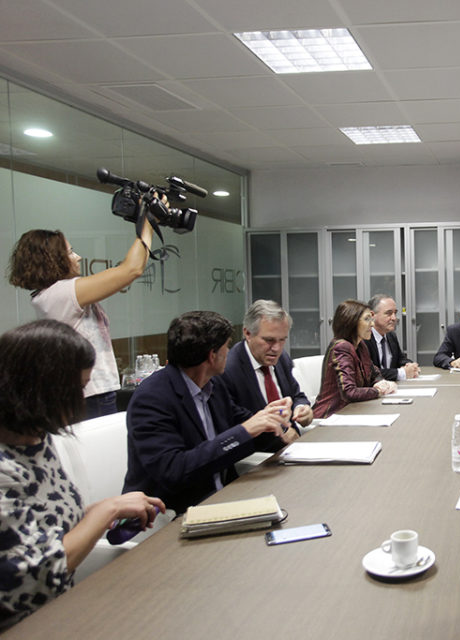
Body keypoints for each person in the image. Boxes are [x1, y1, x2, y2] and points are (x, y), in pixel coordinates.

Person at [0, 320, 164, 630]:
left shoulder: (36, 438)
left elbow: (44, 523)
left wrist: (113, 508)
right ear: (39, 389)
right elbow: (32, 574)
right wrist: (106, 511)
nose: (81, 400)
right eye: (76, 389)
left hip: (60, 611)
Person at [123, 311, 297, 514]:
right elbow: (173, 471)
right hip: (175, 513)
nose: (230, 352)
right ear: (212, 355)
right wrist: (245, 430)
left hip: (226, 497)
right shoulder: (152, 398)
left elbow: (243, 429)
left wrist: (274, 421)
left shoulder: (213, 386)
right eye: (227, 346)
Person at [8, 226, 153, 418]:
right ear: (52, 260)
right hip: (90, 396)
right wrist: (148, 225)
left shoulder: (52, 295)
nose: (78, 257)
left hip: (92, 393)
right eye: (70, 252)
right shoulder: (61, 294)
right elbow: (131, 269)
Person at [219, 300, 313, 429]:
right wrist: (282, 432)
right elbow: (236, 422)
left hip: (292, 442)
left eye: (282, 340)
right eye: (269, 340)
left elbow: (296, 395)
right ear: (248, 333)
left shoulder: (282, 359)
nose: (277, 348)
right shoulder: (228, 369)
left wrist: (302, 408)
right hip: (257, 446)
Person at [313, 300, 398, 418]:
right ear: (351, 322)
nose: (372, 324)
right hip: (332, 415)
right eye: (367, 319)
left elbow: (374, 373)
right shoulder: (341, 347)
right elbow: (349, 392)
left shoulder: (361, 345)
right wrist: (378, 391)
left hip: (353, 411)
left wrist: (382, 383)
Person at [364, 294, 420, 381]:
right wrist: (401, 373)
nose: (394, 318)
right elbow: (369, 373)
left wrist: (410, 365)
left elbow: (400, 359)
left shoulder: (391, 335)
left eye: (395, 313)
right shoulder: (364, 339)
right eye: (388, 313)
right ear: (372, 315)